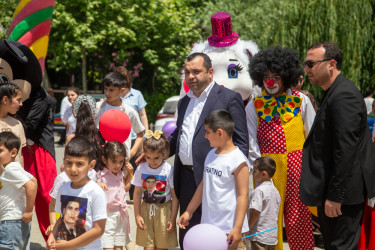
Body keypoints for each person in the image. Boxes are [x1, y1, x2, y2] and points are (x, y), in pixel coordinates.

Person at [300, 41, 375, 250]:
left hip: (343, 197)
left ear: (331, 63)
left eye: (311, 64)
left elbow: (346, 150)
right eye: (306, 64)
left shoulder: (344, 96)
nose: (306, 69)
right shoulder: (334, 91)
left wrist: (335, 196)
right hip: (335, 193)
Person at [168, 52, 249, 248]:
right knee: (190, 239)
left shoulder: (229, 98)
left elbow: (241, 141)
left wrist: (232, 178)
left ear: (210, 72)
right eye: (186, 72)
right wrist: (160, 150)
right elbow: (180, 136)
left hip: (219, 183)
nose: (190, 76)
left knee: (219, 241)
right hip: (187, 180)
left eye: (196, 71)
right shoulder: (184, 101)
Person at [246, 46, 316, 249]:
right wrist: (258, 170)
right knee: (268, 217)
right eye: (266, 76)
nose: (270, 81)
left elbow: (312, 135)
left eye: (275, 76)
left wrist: (311, 169)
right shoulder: (254, 105)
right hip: (268, 168)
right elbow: (251, 141)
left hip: (297, 166)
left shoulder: (301, 100)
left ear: (286, 76)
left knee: (298, 217)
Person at [178, 109, 250, 249]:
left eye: (207, 132)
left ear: (220, 132)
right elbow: (204, 185)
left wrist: (237, 228)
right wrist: (189, 211)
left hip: (229, 230)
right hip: (209, 228)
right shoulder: (211, 154)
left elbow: (243, 195)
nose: (205, 136)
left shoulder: (238, 160)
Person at [47, 137, 107, 249]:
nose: (73, 169)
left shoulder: (96, 192)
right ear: (63, 161)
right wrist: (53, 235)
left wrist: (70, 245)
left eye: (79, 164)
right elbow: (62, 218)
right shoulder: (63, 188)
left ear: (91, 165)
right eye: (69, 163)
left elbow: (99, 229)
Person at [132, 130, 178, 249]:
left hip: (164, 212)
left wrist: (173, 218)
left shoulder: (169, 170)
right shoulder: (141, 169)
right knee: (148, 246)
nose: (152, 161)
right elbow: (137, 193)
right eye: (148, 157)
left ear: (164, 154)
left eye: (156, 158)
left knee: (162, 247)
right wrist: (137, 215)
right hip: (146, 211)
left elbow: (174, 196)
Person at [115, 66, 148, 201]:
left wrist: (146, 135)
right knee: (117, 167)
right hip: (117, 138)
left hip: (134, 137)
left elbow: (143, 115)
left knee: (134, 167)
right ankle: (119, 196)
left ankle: (134, 198)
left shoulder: (137, 94)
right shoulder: (113, 96)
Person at [95, 71, 145, 161]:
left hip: (121, 162)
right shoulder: (97, 108)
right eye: (105, 89)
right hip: (100, 160)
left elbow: (140, 134)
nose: (107, 93)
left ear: (122, 90)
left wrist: (131, 153)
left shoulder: (130, 111)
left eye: (111, 90)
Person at [0, 131, 37, 249]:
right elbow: (34, 181)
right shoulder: (16, 167)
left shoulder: (10, 170)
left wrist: (29, 210)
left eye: (0, 150)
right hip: (19, 221)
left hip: (11, 223)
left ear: (13, 152)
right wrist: (28, 208)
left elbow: (30, 186)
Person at [96, 141, 133, 250]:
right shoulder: (100, 174)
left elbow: (126, 188)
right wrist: (98, 184)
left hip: (121, 215)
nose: (118, 165)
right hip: (107, 216)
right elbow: (89, 188)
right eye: (114, 161)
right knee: (107, 246)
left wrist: (130, 173)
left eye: (121, 161)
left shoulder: (121, 173)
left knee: (119, 246)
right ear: (104, 159)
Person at [248, 156, 280, 250]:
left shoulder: (259, 191)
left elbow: (255, 212)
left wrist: (248, 228)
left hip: (259, 237)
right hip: (271, 237)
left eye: (255, 171)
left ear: (264, 174)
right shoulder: (275, 191)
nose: (253, 173)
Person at [0, 82, 26, 164]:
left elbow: (20, 154)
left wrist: (21, 174)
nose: (21, 104)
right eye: (18, 100)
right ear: (5, 100)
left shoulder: (17, 124)